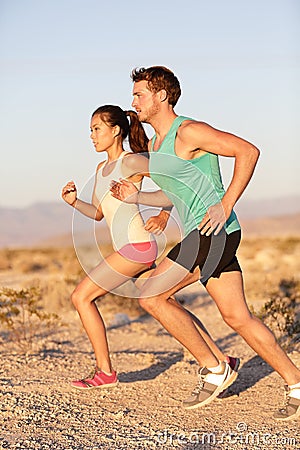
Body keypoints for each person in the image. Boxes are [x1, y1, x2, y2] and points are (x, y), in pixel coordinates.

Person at [110, 67, 300, 420]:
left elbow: (248, 151)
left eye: (139, 95)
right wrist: (138, 196)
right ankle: (296, 382)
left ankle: (215, 367)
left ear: (161, 96)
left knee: (150, 293)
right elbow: (174, 194)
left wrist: (225, 204)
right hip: (203, 235)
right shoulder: (155, 144)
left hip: (215, 231)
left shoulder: (190, 132)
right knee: (236, 316)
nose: (133, 102)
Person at [62, 105, 239, 391]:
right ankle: (222, 358)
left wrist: (163, 215)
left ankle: (105, 372)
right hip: (128, 248)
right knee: (167, 303)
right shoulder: (101, 169)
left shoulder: (131, 162)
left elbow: (173, 185)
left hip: (138, 247)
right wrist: (73, 202)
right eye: (90, 131)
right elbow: (98, 213)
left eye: (96, 129)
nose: (92, 136)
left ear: (115, 130)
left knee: (81, 297)